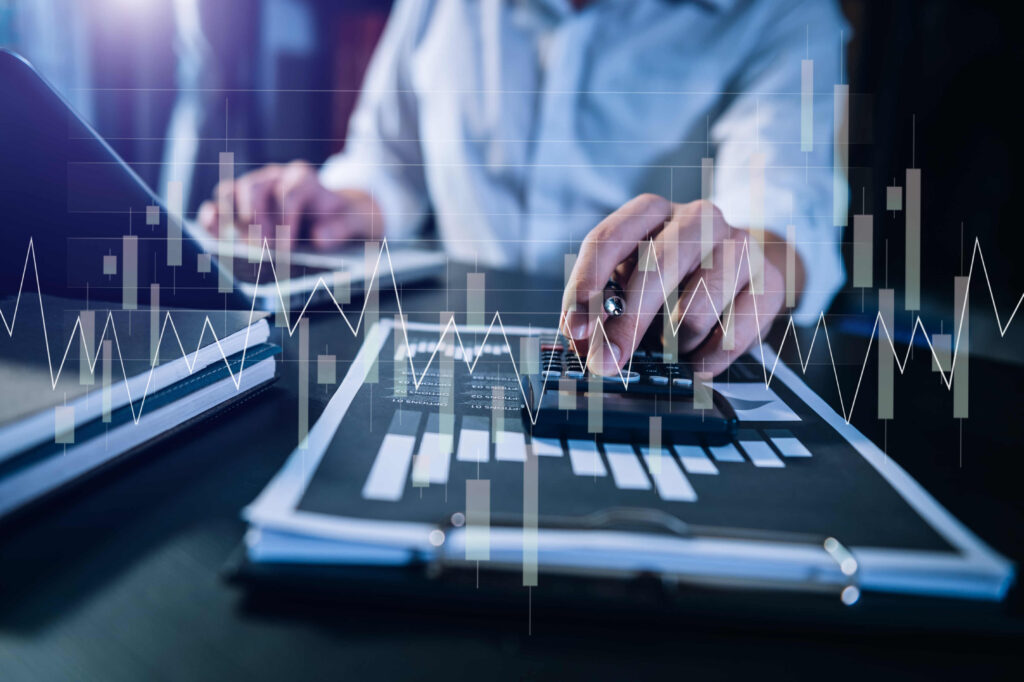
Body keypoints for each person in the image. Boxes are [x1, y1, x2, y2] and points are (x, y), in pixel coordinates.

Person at [198, 0, 849, 377]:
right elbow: (385, 165)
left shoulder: (785, 15)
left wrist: (747, 260)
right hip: (448, 355)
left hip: (639, 371)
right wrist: (335, 203)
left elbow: (786, 216)